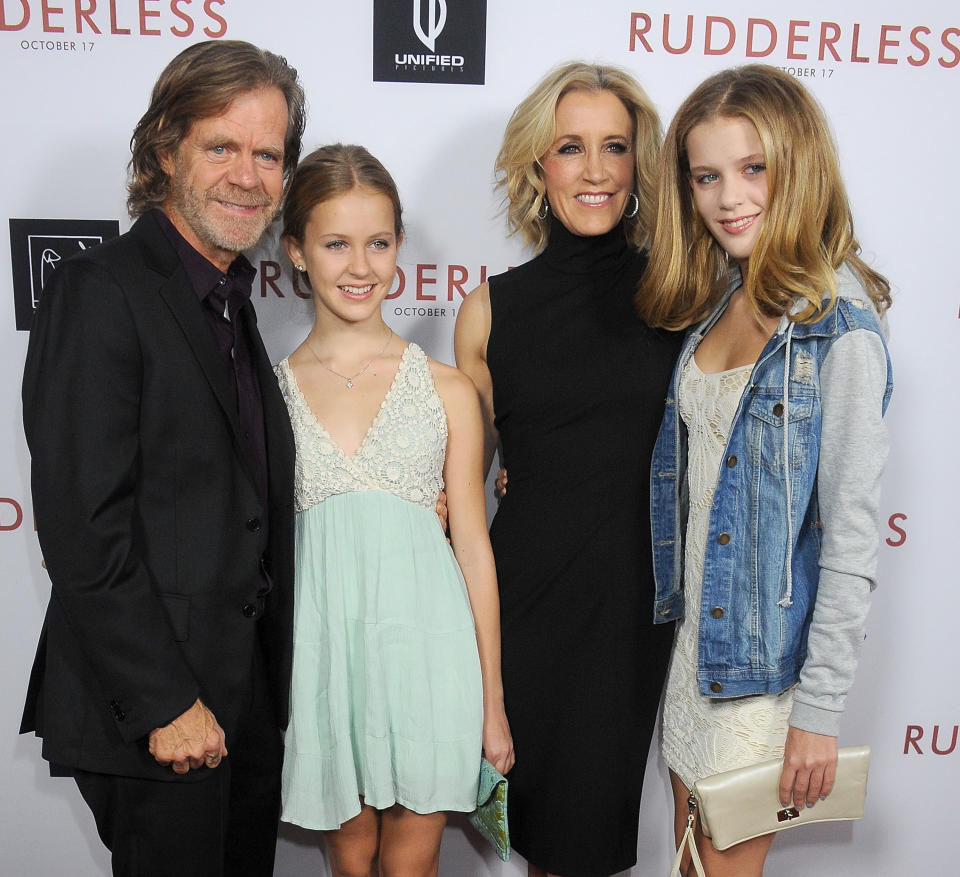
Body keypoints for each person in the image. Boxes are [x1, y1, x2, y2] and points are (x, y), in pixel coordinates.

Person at [20, 40, 306, 877]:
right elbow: (83, 528)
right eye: (222, 146)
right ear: (164, 149)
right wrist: (166, 701)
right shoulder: (101, 289)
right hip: (159, 711)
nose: (248, 175)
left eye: (268, 154)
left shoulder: (233, 309)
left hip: (242, 703)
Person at [636, 65, 893, 876]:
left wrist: (817, 711)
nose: (728, 197)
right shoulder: (726, 294)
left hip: (763, 680)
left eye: (754, 169)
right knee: (688, 866)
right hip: (694, 655)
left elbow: (852, 535)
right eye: (707, 176)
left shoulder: (839, 325)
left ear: (799, 165)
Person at [455, 63, 683, 877]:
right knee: (546, 844)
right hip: (526, 609)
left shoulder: (680, 293)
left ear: (639, 163)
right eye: (571, 148)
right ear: (536, 167)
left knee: (588, 839)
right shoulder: (488, 309)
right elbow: (467, 475)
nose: (594, 170)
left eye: (614, 147)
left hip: (631, 610)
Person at [274, 144, 514, 877]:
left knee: (413, 867)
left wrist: (493, 701)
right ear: (296, 252)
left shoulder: (446, 390)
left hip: (430, 657)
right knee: (351, 864)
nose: (360, 265)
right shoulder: (267, 390)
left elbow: (473, 546)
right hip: (322, 661)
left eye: (378, 243)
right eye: (336, 243)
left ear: (399, 248)